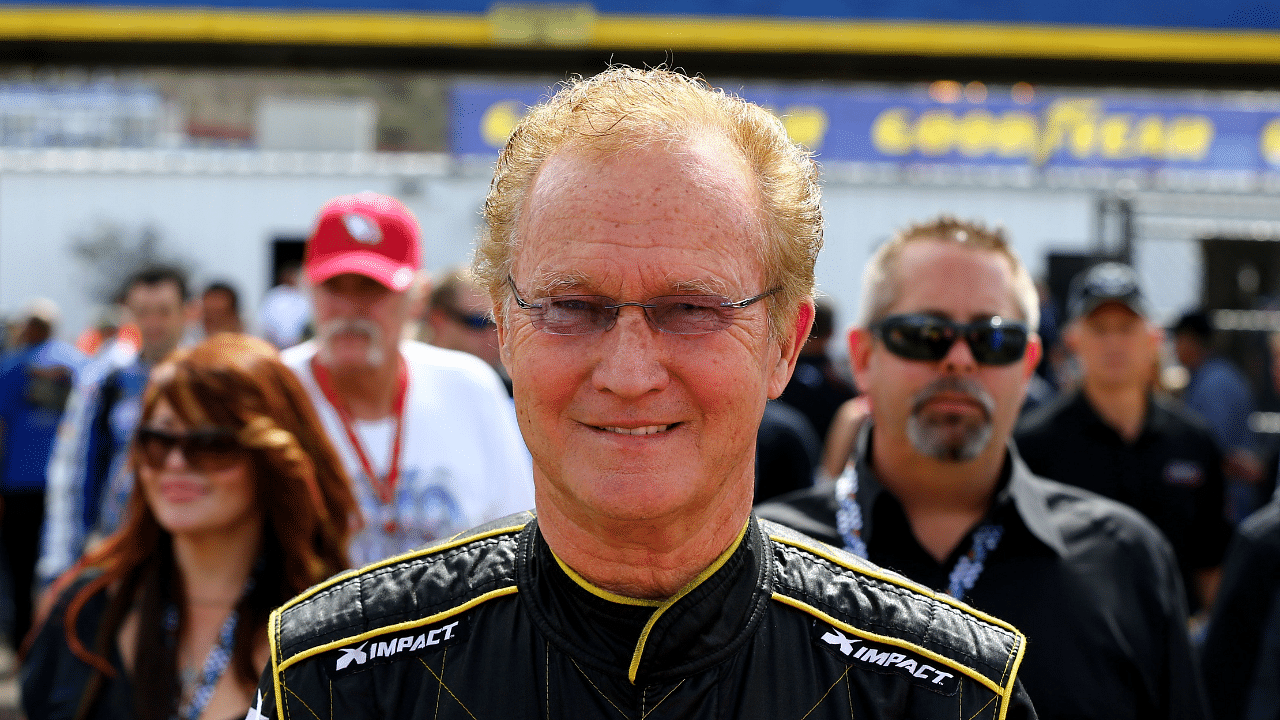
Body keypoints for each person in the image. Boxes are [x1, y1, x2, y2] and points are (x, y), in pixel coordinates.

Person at [248, 67, 1036, 720]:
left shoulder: (947, 696)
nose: (629, 372)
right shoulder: (332, 682)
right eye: (573, 307)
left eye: (691, 310)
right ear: (504, 330)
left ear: (784, 346)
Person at [757, 217, 1208, 720]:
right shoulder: (757, 562)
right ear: (863, 357)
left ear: (1028, 363)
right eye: (925, 334)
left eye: (993, 340)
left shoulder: (1126, 563)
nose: (959, 359)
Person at [22, 334, 357, 720]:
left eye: (211, 443)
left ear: (271, 459)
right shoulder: (83, 610)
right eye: (158, 441)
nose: (176, 464)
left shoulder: (341, 635)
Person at [281, 191, 533, 566]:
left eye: (373, 289)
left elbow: (518, 543)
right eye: (334, 287)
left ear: (418, 298)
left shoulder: (468, 389)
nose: (350, 309)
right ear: (306, 289)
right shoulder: (273, 390)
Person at [1016, 262, 1231, 614]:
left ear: (1153, 338)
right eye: (1099, 329)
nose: (1113, 342)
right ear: (1073, 339)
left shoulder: (1193, 441)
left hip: (1173, 646)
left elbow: (1211, 563)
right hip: (1073, 650)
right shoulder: (1033, 445)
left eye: (1127, 327)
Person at [38, 265, 191, 593]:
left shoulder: (209, 382)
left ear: (186, 313)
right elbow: (71, 472)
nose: (153, 323)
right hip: (117, 554)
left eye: (163, 312)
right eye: (143, 312)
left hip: (193, 555)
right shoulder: (106, 382)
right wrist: (61, 565)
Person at [0, 299, 87, 647]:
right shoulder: (78, 363)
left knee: (20, 571)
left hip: (20, 484)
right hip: (66, 486)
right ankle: (60, 644)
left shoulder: (13, 364)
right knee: (65, 568)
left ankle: (24, 643)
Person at [1171, 309, 1263, 523]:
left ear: (1189, 341)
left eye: (1177, 340)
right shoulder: (1208, 376)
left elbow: (1212, 451)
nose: (1174, 349)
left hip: (1228, 504)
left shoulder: (1214, 383)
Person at [420, 266, 509, 394]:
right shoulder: (404, 383)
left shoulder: (512, 395)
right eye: (478, 322)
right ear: (438, 320)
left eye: (498, 324)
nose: (494, 336)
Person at [778, 299, 856, 445]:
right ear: (831, 333)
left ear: (798, 327)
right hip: (826, 461)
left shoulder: (775, 375)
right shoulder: (842, 381)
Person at [256, 262, 310, 350]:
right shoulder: (274, 295)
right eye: (289, 274)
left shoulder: (304, 296)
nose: (292, 277)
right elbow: (263, 320)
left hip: (300, 346)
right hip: (274, 346)